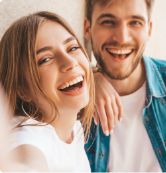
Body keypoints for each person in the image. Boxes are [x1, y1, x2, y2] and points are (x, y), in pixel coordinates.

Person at [84, 0, 166, 172]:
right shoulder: (76, 99)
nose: (122, 38)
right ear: (88, 29)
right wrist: (88, 77)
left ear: (149, 29)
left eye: (135, 23)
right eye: (108, 21)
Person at [0, 11, 95, 171]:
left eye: (72, 48)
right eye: (45, 59)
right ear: (22, 88)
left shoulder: (74, 130)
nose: (70, 62)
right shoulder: (27, 139)